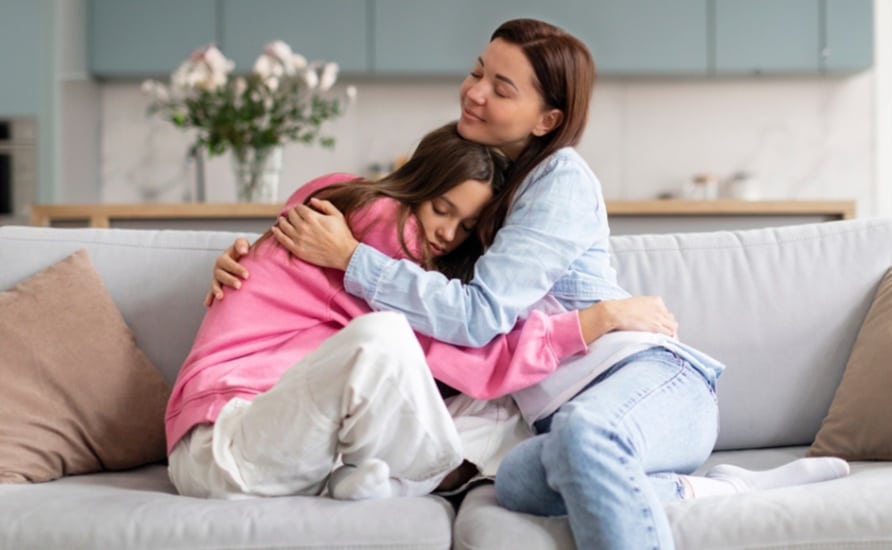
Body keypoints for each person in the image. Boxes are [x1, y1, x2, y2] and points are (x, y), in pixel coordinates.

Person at [208, 19, 849, 549]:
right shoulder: (479, 192)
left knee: (582, 438)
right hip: (557, 422)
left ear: (547, 119)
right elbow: (384, 281)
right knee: (513, 484)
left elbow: (478, 316)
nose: (475, 91)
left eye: (501, 87)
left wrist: (352, 258)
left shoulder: (559, 180)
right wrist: (253, 264)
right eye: (478, 70)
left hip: (647, 383)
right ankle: (714, 491)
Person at [167, 122, 674, 503]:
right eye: (442, 208)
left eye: (466, 226)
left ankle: (372, 477)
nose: (447, 234)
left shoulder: (358, 223)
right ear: (419, 184)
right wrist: (597, 318)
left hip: (286, 439)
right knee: (387, 338)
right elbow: (476, 356)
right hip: (226, 439)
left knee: (498, 412)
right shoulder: (373, 228)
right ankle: (436, 474)